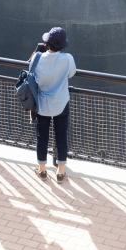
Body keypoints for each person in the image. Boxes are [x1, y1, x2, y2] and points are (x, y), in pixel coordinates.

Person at [33, 27, 75, 182]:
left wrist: (38, 52)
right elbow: (71, 73)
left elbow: (31, 72)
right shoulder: (68, 59)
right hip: (61, 103)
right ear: (63, 45)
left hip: (42, 104)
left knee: (42, 137)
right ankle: (61, 171)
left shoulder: (37, 58)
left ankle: (42, 169)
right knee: (61, 136)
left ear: (47, 43)